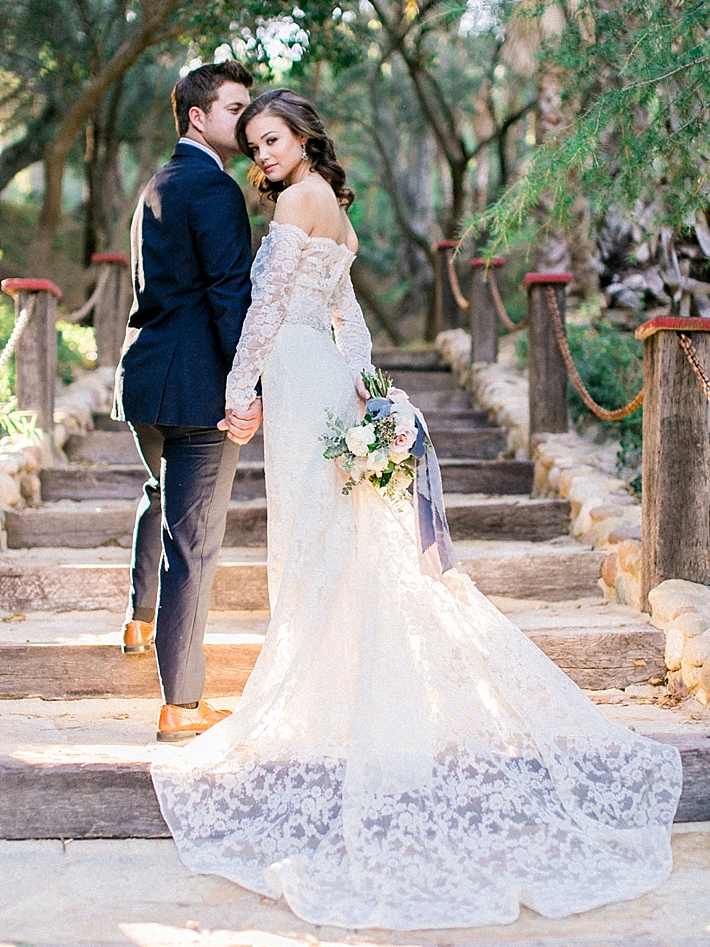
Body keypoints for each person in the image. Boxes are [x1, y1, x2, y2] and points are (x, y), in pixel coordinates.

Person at [151, 89, 682, 930]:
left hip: (292, 375)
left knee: (313, 542)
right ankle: (342, 696)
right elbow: (349, 319)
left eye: (274, 138)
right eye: (254, 144)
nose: (264, 156)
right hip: (324, 377)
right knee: (339, 543)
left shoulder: (296, 201)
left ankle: (324, 705)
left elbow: (264, 308)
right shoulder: (333, 207)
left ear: (302, 138)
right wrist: (366, 397)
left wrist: (239, 389)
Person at [112, 62, 262, 742]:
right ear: (199, 117)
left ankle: (140, 617)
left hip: (143, 382)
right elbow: (231, 297)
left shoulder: (158, 183)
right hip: (199, 391)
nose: (250, 120)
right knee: (193, 544)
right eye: (236, 107)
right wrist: (247, 390)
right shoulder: (218, 189)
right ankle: (183, 703)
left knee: (159, 492)